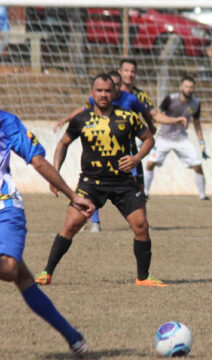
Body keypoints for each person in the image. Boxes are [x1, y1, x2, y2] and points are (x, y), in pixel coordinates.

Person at [35, 73, 167, 287]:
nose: (104, 94)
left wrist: (135, 159)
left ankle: (142, 277)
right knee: (72, 224)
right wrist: (55, 174)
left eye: (108, 90)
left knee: (141, 225)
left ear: (114, 92)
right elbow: (62, 144)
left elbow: (149, 139)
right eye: (99, 90)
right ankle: (46, 273)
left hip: (123, 182)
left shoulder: (128, 116)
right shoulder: (82, 119)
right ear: (92, 93)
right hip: (91, 182)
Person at [0, 110, 95, 357]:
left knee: (12, 270)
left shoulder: (5, 121)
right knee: (21, 277)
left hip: (5, 205)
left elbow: (38, 161)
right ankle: (73, 336)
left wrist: (72, 195)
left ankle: (72, 336)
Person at [53, 70, 185, 232]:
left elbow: (149, 115)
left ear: (118, 88)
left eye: (113, 87)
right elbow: (83, 112)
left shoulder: (133, 98)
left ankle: (141, 223)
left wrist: (151, 128)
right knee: (95, 186)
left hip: (128, 154)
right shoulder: (99, 97)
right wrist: (64, 120)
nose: (106, 92)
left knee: (139, 187)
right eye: (126, 71)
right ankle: (95, 222)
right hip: (101, 152)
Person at [144, 75, 210, 200]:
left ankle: (203, 195)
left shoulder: (196, 103)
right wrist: (148, 133)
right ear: (181, 87)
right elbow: (157, 114)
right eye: (186, 86)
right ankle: (145, 192)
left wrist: (202, 143)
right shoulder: (170, 99)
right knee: (150, 163)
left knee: (197, 165)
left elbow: (197, 123)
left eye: (191, 87)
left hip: (181, 139)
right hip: (164, 137)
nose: (189, 89)